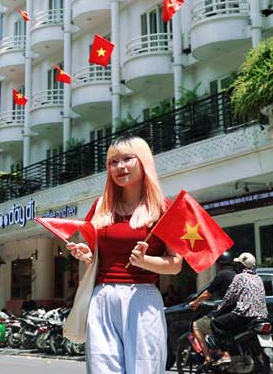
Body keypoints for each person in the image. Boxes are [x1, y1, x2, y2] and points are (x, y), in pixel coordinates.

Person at [66, 136, 182, 374]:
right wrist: (87, 254)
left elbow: (175, 264)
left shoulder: (163, 209)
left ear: (143, 162)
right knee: (102, 368)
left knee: (144, 368)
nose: (120, 167)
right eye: (113, 161)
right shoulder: (100, 208)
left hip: (142, 299)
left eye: (127, 159)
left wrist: (144, 261)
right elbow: (94, 256)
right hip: (102, 298)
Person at [208, 253, 267, 365]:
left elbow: (229, 297)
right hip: (261, 316)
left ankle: (225, 354)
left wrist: (218, 310)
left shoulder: (239, 277)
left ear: (240, 266)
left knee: (215, 323)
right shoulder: (258, 278)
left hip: (243, 315)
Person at [189, 251, 236, 365]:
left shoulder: (222, 275)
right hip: (241, 312)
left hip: (229, 312)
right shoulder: (237, 274)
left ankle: (208, 357)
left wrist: (195, 302)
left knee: (197, 325)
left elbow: (207, 293)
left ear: (219, 264)